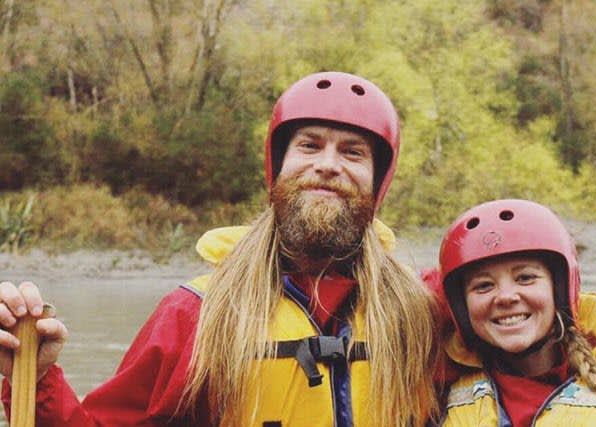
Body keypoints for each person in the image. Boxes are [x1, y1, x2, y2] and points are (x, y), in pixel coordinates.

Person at [0, 71, 438, 426]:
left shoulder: (423, 313)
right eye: (309, 145)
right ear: (277, 167)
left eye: (353, 152)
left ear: (378, 181)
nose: (327, 165)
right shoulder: (194, 313)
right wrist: (37, 381)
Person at [427, 199, 596, 427]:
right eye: (484, 286)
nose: (506, 297)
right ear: (461, 307)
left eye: (526, 277)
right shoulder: (441, 379)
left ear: (560, 289)